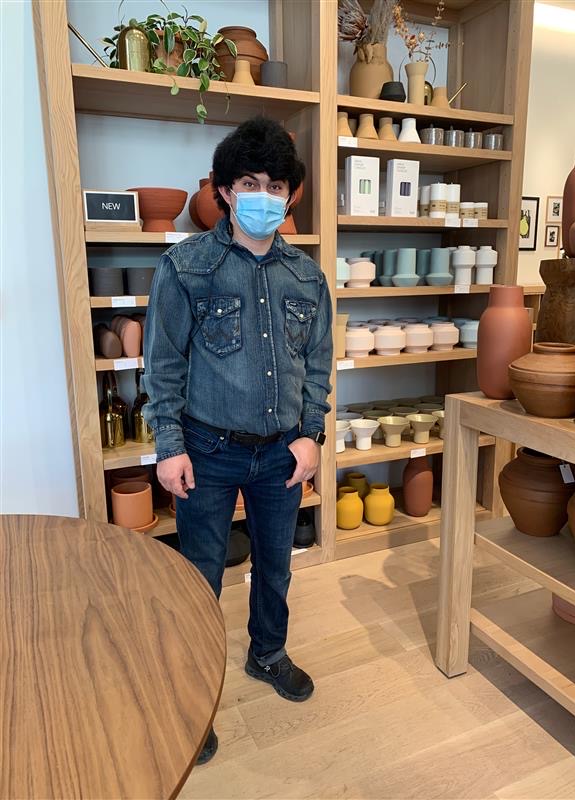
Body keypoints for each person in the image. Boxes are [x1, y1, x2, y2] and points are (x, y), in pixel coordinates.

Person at [143, 116, 333, 764]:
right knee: (201, 578)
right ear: (223, 191)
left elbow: (318, 365)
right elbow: (163, 364)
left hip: (281, 453)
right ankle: (193, 693)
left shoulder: (308, 279)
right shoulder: (185, 266)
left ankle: (267, 654)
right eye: (249, 182)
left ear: (292, 195)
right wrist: (169, 445)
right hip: (209, 452)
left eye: (275, 184)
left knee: (275, 567)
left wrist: (312, 438)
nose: (263, 195)